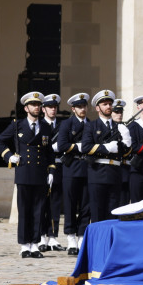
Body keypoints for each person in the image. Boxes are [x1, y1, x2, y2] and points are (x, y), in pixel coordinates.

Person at [0, 92, 55, 258]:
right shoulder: (17, 125)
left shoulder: (45, 127)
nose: (36, 107)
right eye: (33, 105)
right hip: (23, 172)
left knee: (38, 210)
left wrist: (51, 170)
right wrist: (9, 156)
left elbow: (49, 151)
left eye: (38, 105)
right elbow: (0, 140)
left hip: (40, 174)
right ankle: (24, 245)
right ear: (26, 108)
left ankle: (35, 244)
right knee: (25, 210)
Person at [81, 90, 130, 223]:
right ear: (97, 108)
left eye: (110, 104)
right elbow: (85, 147)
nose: (108, 107)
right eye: (104, 104)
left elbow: (125, 153)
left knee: (113, 214)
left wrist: (127, 142)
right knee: (97, 213)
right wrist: (106, 148)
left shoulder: (119, 127)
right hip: (98, 173)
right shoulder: (91, 126)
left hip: (115, 173)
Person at [58, 93, 90, 254]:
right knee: (70, 204)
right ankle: (71, 236)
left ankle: (82, 234)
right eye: (79, 107)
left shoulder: (91, 124)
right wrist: (79, 146)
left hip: (87, 168)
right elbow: (62, 144)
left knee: (86, 204)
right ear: (73, 109)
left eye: (84, 106)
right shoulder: (66, 124)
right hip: (71, 167)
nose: (82, 109)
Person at [39, 93, 65, 252]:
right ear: (43, 109)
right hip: (42, 167)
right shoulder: (39, 124)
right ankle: (41, 236)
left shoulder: (63, 125)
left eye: (55, 107)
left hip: (59, 166)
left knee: (55, 203)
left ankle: (53, 237)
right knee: (42, 203)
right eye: (49, 107)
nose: (53, 110)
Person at [111, 99, 132, 206]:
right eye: (116, 112)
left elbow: (129, 151)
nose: (119, 115)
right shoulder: (107, 128)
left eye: (121, 112)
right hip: (110, 170)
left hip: (124, 171)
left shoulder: (125, 128)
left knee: (124, 202)